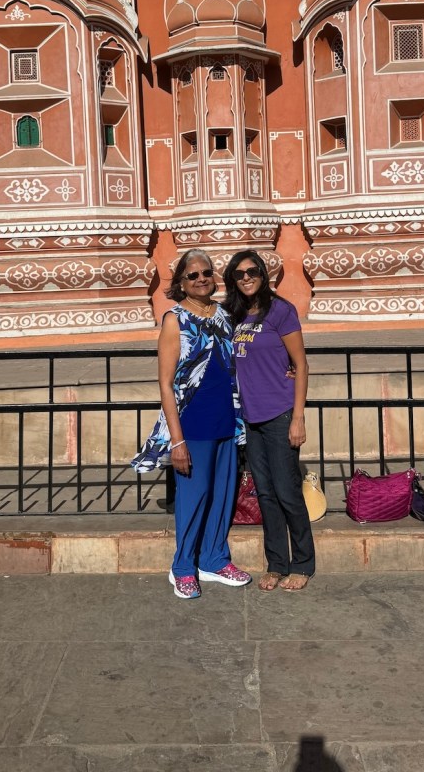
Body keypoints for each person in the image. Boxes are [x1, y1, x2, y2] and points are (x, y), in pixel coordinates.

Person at [131, 249, 251, 599]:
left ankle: (214, 559)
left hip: (227, 419)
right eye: (193, 275)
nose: (201, 279)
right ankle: (183, 566)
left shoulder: (225, 315)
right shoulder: (175, 320)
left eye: (207, 273)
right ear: (181, 283)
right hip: (193, 423)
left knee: (222, 496)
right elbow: (166, 383)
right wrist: (177, 440)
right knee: (194, 497)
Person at [223, 250, 315, 591]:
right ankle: (277, 564)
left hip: (280, 413)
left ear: (263, 275)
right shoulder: (236, 316)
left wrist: (298, 417)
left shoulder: (280, 310)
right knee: (265, 494)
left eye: (252, 272)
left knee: (287, 491)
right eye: (239, 274)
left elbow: (301, 364)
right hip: (252, 417)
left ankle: (302, 563)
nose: (246, 278)